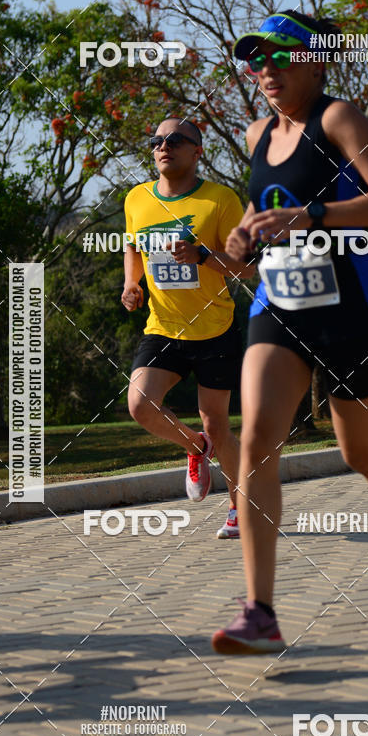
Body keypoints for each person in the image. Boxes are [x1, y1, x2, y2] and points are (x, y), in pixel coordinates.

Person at [211, 10, 368, 653]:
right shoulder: (258, 131)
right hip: (279, 308)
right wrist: (240, 238)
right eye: (256, 60)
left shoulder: (339, 118)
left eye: (279, 57)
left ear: (317, 60)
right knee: (257, 438)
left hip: (354, 314)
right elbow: (264, 225)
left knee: (360, 453)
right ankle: (260, 612)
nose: (265, 71)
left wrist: (309, 214)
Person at [122, 116, 254, 539]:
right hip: (163, 327)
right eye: (157, 139)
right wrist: (131, 283)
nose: (164, 145)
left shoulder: (219, 200)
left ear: (197, 152)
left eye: (176, 140)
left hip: (215, 330)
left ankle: (239, 509)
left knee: (218, 424)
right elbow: (133, 246)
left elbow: (247, 267)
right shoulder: (137, 199)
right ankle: (194, 446)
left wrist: (202, 256)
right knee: (140, 405)